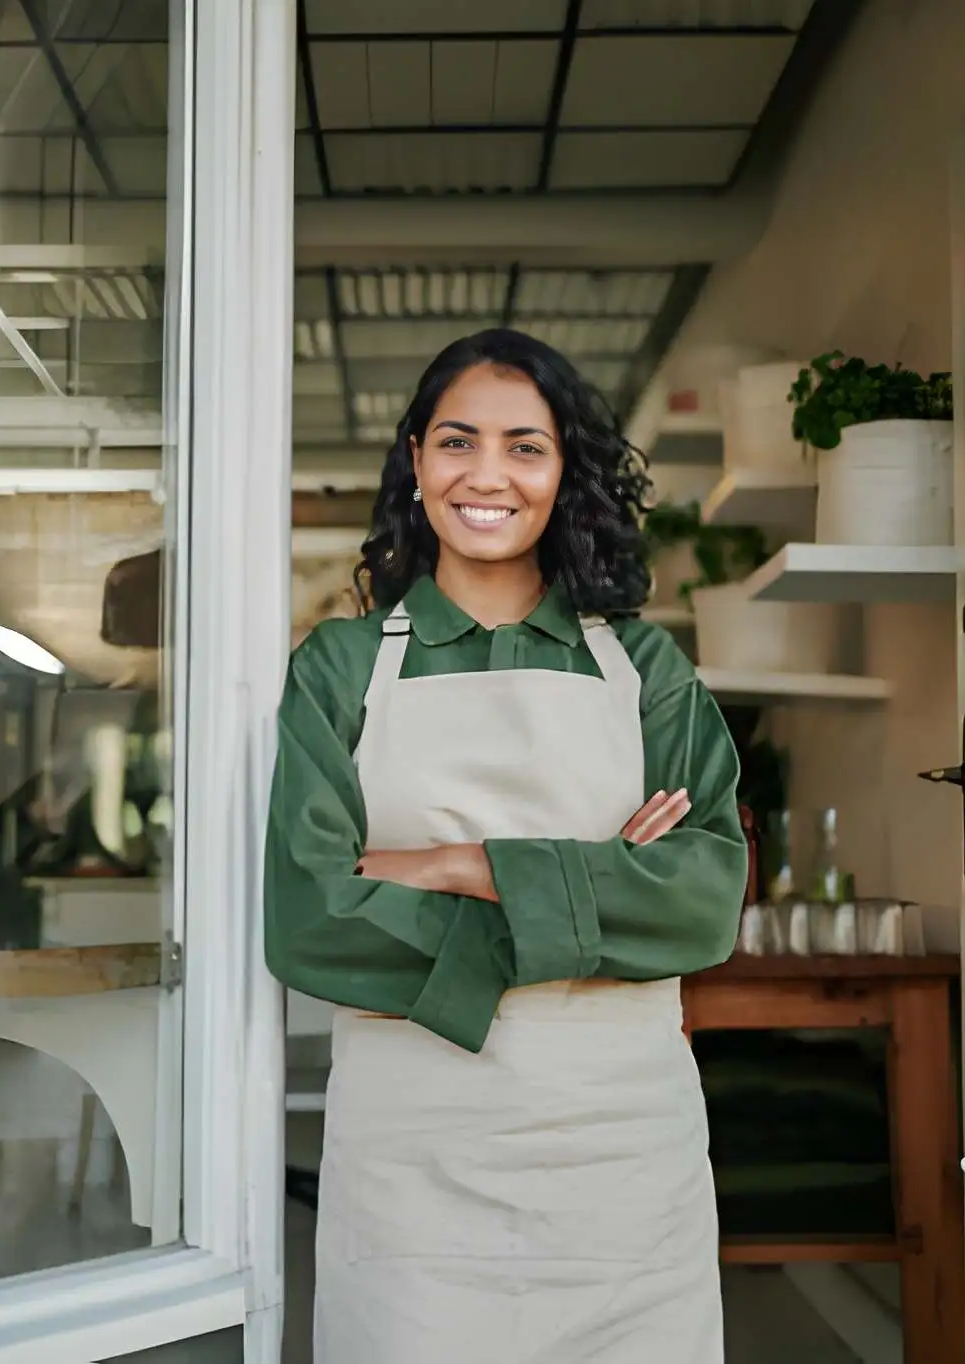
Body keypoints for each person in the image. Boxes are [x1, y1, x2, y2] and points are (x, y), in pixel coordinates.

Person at [265, 329, 747, 1363]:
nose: (486, 474)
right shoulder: (339, 667)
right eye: (456, 441)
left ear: (563, 468)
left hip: (620, 1155)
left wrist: (459, 864)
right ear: (414, 458)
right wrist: (593, 886)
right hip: (412, 1157)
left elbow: (702, 897)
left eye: (524, 446)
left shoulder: (644, 668)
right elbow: (308, 918)